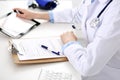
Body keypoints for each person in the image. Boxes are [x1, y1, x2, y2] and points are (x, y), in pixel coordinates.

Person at [14, 0, 120, 80]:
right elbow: (77, 14)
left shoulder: (116, 14)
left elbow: (89, 67)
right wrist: (35, 15)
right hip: (89, 61)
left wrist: (70, 44)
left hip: (105, 73)